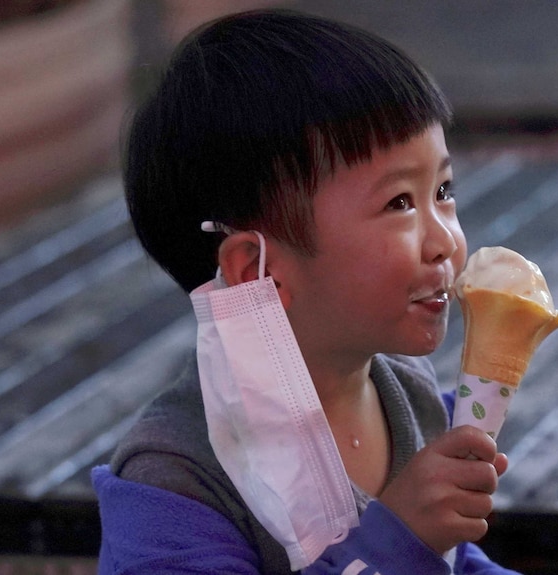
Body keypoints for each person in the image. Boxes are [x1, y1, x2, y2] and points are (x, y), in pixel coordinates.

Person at [92, 9, 520, 574]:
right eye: (399, 203)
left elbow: (457, 563)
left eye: (442, 190)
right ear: (256, 270)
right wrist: (398, 541)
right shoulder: (178, 481)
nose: (445, 242)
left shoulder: (410, 397)